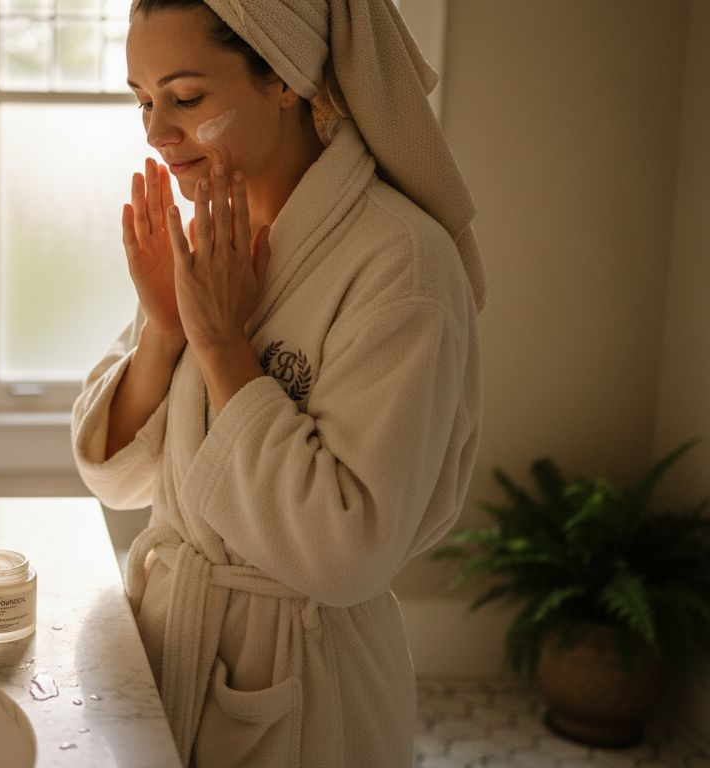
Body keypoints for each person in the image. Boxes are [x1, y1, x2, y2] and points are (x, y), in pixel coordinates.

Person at [71, 0, 484, 764]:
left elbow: (346, 551)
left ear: (285, 80)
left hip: (308, 692)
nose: (155, 132)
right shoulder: (214, 239)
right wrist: (166, 330)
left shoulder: (403, 267)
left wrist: (226, 347)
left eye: (186, 97)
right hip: (174, 643)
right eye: (143, 99)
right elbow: (119, 479)